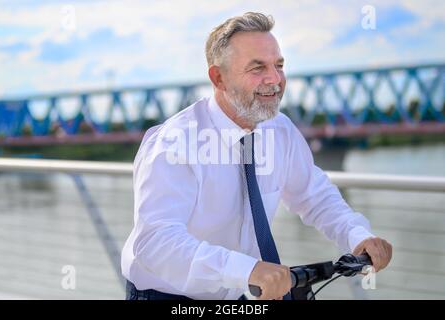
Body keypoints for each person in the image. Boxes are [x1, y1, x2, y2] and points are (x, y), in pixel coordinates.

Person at [121, 12, 392, 300]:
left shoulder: (280, 130)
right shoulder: (175, 142)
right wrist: (245, 270)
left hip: (241, 291)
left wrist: (357, 235)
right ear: (219, 78)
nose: (275, 79)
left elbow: (314, 195)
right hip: (169, 296)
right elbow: (155, 242)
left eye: (279, 65)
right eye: (257, 68)